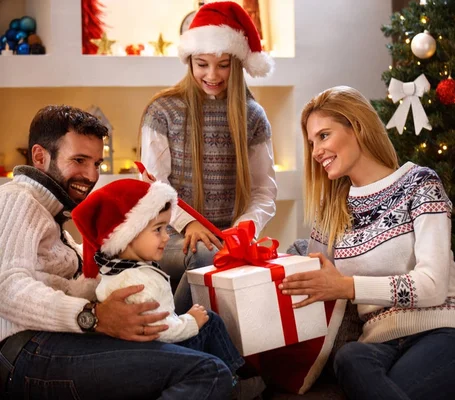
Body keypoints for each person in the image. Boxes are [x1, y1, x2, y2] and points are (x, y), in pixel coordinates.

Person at [0, 105, 233, 399]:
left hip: (56, 340)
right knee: (209, 372)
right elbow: (7, 287)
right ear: (39, 156)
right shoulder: (17, 199)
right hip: (26, 351)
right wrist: (93, 317)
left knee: (203, 328)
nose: (90, 175)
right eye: (79, 160)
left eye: (96, 163)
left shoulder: (54, 216)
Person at [279, 86, 455, 400]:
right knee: (348, 357)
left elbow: (432, 285)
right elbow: (317, 283)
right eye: (311, 143)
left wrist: (349, 287)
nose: (316, 152)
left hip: (445, 329)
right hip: (378, 344)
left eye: (324, 136)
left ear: (357, 127)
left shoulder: (419, 183)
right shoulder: (331, 210)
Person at [139, 0, 277, 314]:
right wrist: (187, 224)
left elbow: (264, 190)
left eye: (223, 64)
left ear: (237, 64)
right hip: (167, 235)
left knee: (223, 257)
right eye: (202, 64)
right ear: (189, 61)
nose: (212, 74)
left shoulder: (253, 117)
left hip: (225, 237)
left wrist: (243, 229)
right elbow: (152, 187)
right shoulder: (163, 111)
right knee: (204, 256)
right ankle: (175, 337)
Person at [71, 178, 265, 398]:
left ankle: (236, 372)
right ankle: (233, 382)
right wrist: (191, 321)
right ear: (127, 234)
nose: (166, 237)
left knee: (207, 320)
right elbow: (161, 331)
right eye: (158, 230)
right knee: (209, 321)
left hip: (155, 346)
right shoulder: (134, 284)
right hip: (157, 352)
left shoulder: (123, 270)